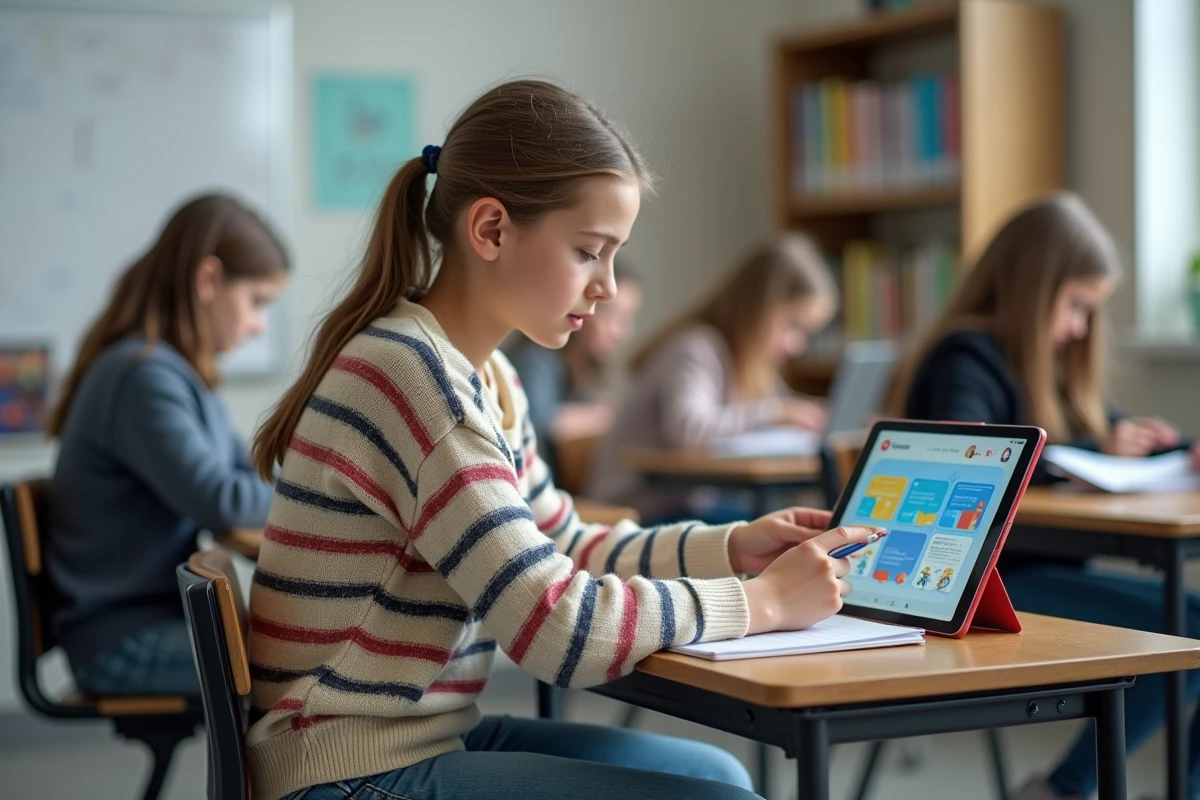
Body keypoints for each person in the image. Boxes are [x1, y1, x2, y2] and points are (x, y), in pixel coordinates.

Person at [247, 79, 875, 800]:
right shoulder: (417, 383)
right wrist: (761, 603)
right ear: (490, 231)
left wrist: (731, 550)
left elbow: (566, 545)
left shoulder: (490, 379)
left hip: (415, 733)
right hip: (344, 765)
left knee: (714, 772)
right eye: (589, 252)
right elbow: (558, 630)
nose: (607, 286)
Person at [887, 191, 1200, 800]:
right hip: (978, 588)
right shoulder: (967, 356)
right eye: (1075, 307)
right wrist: (1077, 461)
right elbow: (967, 458)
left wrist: (1180, 448)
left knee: (1187, 623)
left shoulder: (1048, 368)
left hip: (1035, 569)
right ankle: (1066, 789)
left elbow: (1105, 439)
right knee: (1184, 625)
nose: (1079, 328)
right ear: (1033, 288)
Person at [47, 193, 289, 697]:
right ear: (208, 280)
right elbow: (221, 498)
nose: (259, 323)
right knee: (301, 667)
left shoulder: (172, 373)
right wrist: (313, 490)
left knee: (301, 653)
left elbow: (244, 468)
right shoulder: (142, 376)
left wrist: (283, 477)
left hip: (145, 621)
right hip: (123, 639)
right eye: (257, 301)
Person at [587, 233, 836, 523]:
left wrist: (814, 413)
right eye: (793, 325)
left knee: (784, 527)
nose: (797, 345)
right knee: (777, 533)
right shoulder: (695, 347)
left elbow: (781, 406)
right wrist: (778, 413)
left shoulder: (747, 361)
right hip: (635, 512)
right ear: (758, 308)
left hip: (684, 509)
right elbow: (690, 430)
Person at [505, 259, 642, 477]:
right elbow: (534, 423)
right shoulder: (536, 359)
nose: (622, 331)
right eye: (611, 315)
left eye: (628, 318)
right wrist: (598, 416)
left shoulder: (589, 369)